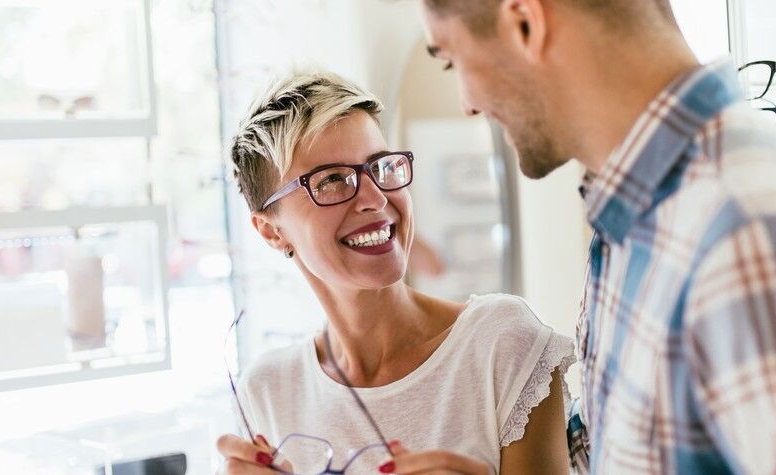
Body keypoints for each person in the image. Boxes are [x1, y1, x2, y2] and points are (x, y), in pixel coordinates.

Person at [414, 0, 776, 473]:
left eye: (450, 58)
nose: (468, 104)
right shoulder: (636, 230)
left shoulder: (758, 235)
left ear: (525, 22)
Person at [214, 69, 574, 475]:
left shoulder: (501, 343)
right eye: (332, 180)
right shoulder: (268, 392)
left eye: (381, 167)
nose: (374, 197)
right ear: (271, 230)